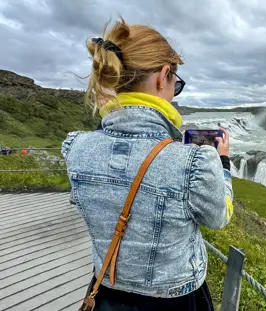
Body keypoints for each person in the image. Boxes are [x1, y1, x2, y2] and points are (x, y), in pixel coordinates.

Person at [61, 17, 233, 311]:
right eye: (175, 84)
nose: (173, 90)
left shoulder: (76, 148)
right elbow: (219, 217)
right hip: (176, 300)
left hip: (106, 293)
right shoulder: (194, 162)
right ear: (163, 75)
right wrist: (224, 164)